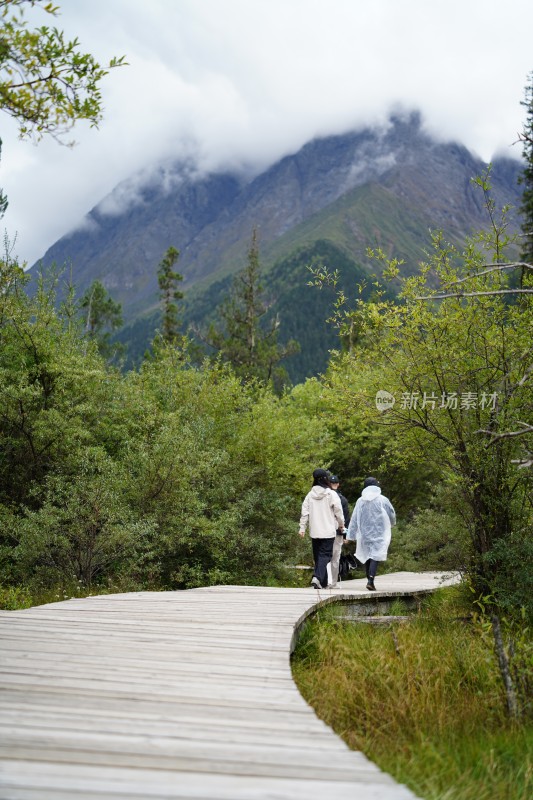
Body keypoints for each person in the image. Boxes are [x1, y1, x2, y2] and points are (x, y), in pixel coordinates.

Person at [299, 468, 346, 589]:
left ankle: (322, 584)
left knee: (318, 557)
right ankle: (317, 577)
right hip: (328, 531)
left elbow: (305, 512)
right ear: (325, 479)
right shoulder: (331, 494)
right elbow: (339, 511)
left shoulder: (310, 495)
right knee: (325, 556)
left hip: (315, 531)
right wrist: (341, 524)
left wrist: (302, 528)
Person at [346, 476, 396, 591]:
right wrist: (392, 524)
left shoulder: (360, 501)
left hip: (365, 534)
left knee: (368, 555)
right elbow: (391, 513)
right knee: (375, 555)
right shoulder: (382, 499)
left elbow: (354, 518)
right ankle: (371, 580)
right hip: (380, 532)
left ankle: (369, 578)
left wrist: (351, 535)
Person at [327, 474, 351, 587]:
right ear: (338, 484)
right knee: (335, 558)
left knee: (324, 556)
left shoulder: (324, 496)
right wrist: (346, 535)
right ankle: (333, 582)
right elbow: (345, 519)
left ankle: (324, 580)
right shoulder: (343, 500)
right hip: (337, 532)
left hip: (324, 531)